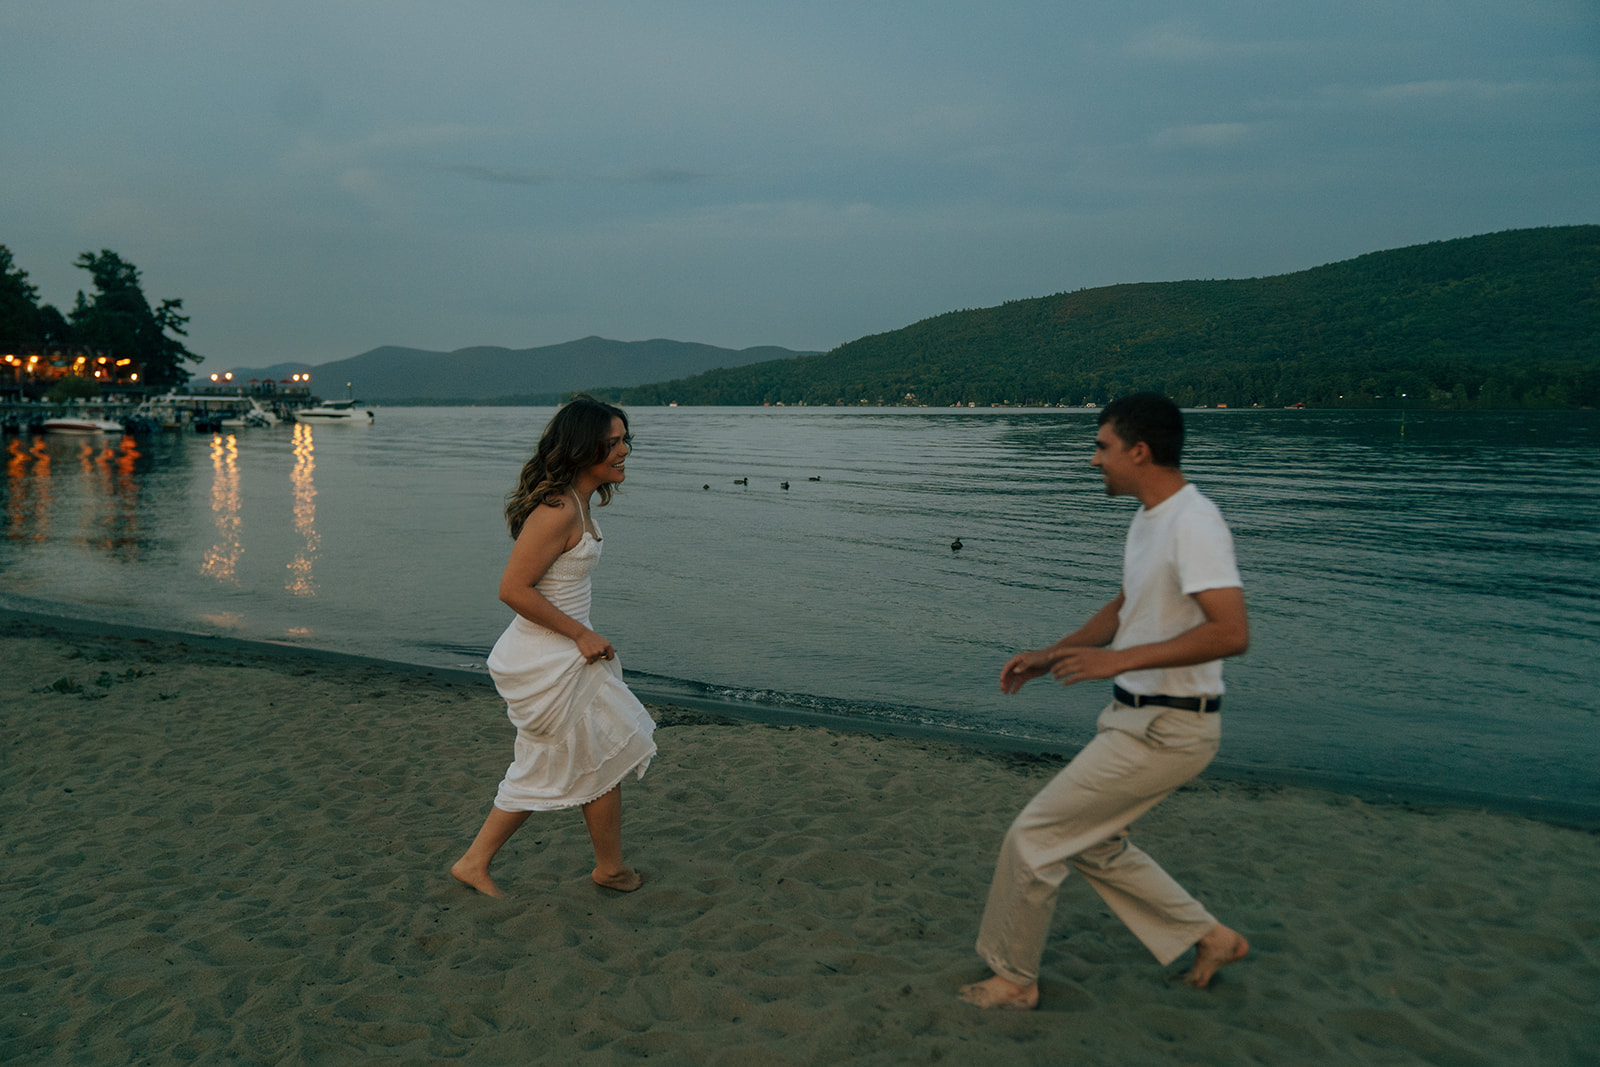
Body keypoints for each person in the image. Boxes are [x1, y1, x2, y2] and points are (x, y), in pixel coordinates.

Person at [959, 392, 1251, 1010]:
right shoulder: (1151, 519)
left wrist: (1117, 660)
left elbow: (1231, 632)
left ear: (1139, 451)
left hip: (1171, 727)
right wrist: (1051, 654)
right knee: (1090, 841)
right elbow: (1126, 608)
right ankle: (1211, 937)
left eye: (1102, 446)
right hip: (1135, 717)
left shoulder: (1195, 523)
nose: (1094, 461)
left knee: (1034, 839)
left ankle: (1013, 980)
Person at [450, 395, 657, 898]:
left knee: (592, 754)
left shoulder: (577, 502)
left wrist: (582, 634)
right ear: (584, 448)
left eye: (626, 439)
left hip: (564, 653)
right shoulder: (558, 509)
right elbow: (513, 589)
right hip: (550, 657)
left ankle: (598, 866)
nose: (625, 450)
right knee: (589, 754)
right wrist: (581, 634)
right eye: (613, 443)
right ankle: (595, 867)